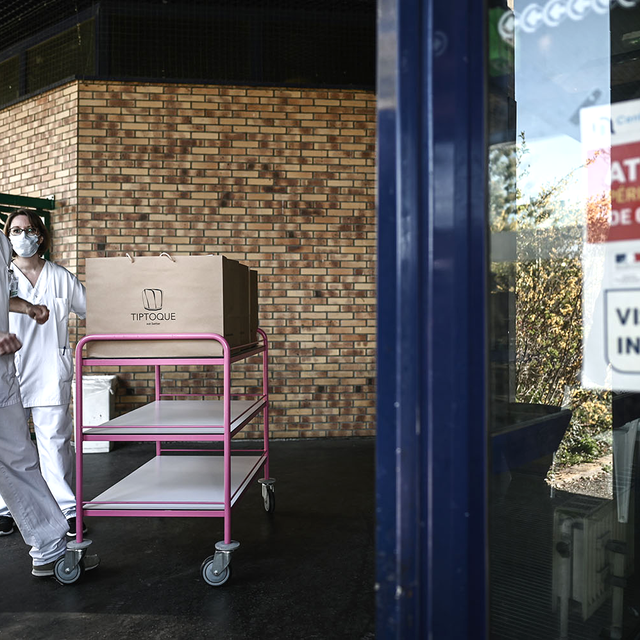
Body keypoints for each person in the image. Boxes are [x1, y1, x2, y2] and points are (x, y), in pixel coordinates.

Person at [0, 226, 97, 576]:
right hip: (12, 367)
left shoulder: (59, 276)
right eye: (15, 231)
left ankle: (63, 517)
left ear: (40, 236)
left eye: (28, 230)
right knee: (12, 453)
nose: (21, 237)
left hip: (38, 370)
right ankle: (10, 513)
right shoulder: (6, 268)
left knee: (46, 446)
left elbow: (91, 309)